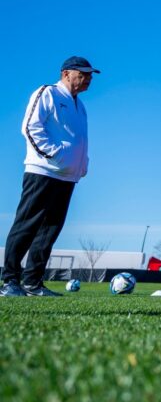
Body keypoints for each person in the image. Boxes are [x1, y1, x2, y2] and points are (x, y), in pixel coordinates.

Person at [1, 57, 98, 298]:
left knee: (50, 230)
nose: (88, 79)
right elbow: (30, 127)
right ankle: (9, 281)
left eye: (90, 75)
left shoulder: (80, 106)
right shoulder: (47, 93)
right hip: (42, 171)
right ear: (66, 73)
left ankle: (33, 282)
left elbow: (79, 140)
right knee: (27, 224)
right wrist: (54, 155)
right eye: (83, 74)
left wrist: (81, 165)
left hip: (67, 177)